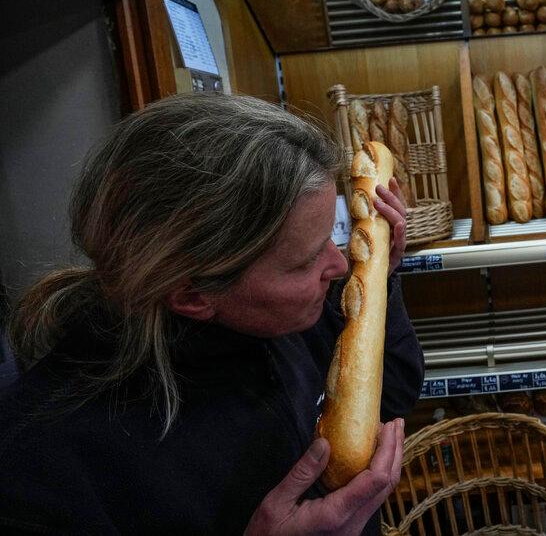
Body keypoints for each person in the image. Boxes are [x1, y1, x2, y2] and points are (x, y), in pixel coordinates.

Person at [0, 93, 424, 535]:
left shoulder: (282, 318)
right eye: (304, 261)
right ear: (193, 296)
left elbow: (390, 393)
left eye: (329, 238)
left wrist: (384, 281)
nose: (338, 266)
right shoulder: (34, 465)